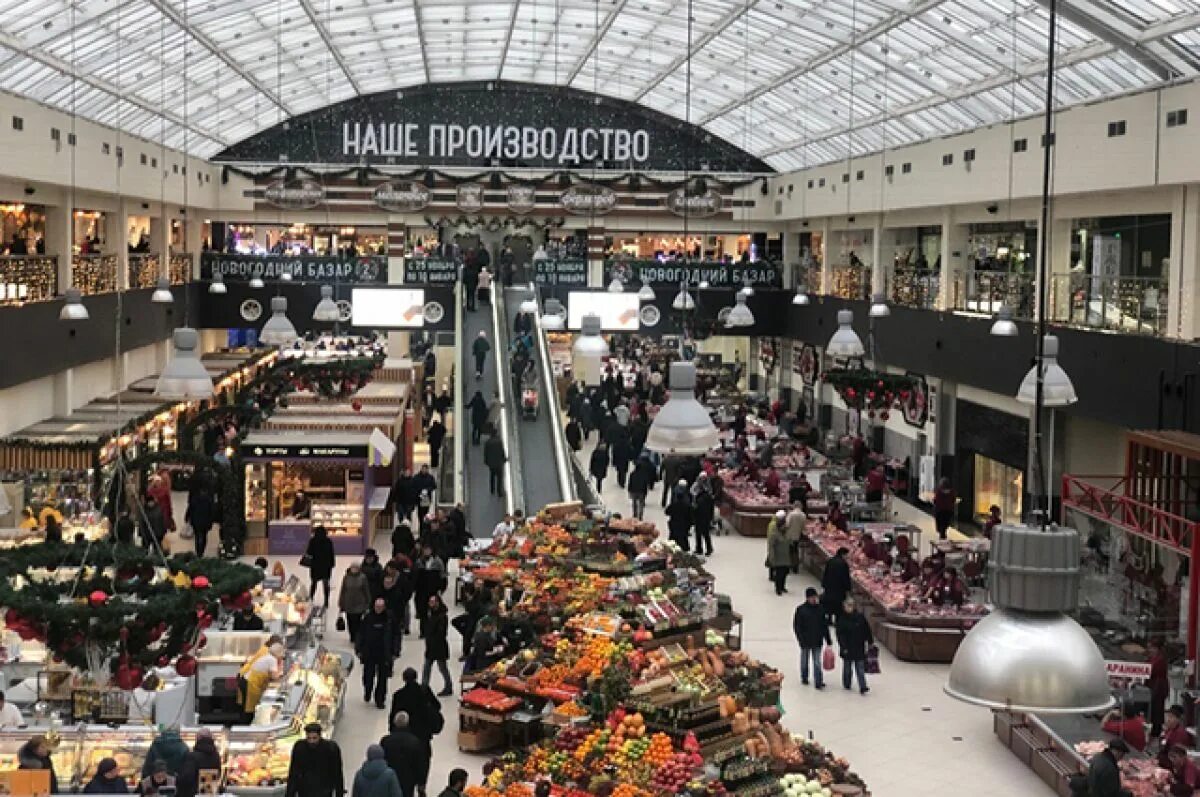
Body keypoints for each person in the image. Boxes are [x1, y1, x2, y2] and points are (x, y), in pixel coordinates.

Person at [284, 723, 344, 797]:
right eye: (309, 738)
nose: (311, 741)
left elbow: (337, 774)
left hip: (324, 791)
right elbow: (293, 773)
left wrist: (339, 793)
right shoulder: (299, 747)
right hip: (305, 791)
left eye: (314, 738)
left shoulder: (331, 748)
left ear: (320, 736)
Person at [389, 668, 444, 747]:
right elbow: (437, 706)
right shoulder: (425, 690)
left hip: (408, 732)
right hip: (423, 731)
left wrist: (392, 731)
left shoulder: (399, 695)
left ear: (404, 678)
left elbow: (394, 714)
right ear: (416, 677)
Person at [357, 598, 394, 709]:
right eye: (377, 607)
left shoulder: (389, 619)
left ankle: (380, 699)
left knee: (383, 678)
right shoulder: (367, 618)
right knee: (368, 675)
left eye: (380, 607)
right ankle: (368, 690)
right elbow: (360, 633)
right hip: (369, 652)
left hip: (384, 653)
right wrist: (359, 649)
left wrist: (395, 650)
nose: (378, 609)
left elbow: (395, 635)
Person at [380, 713, 429, 797]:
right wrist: (421, 782)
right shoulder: (415, 742)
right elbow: (421, 764)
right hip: (408, 781)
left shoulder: (385, 741)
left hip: (390, 778)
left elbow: (381, 760)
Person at [793, 588, 831, 689]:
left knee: (817, 662)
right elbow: (797, 626)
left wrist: (828, 640)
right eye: (812, 597)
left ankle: (818, 681)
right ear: (807, 598)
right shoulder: (801, 610)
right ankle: (804, 676)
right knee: (804, 660)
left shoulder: (820, 609)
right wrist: (800, 639)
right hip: (805, 640)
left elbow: (824, 625)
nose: (814, 599)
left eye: (815, 597)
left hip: (817, 640)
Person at [240, 636, 286, 718]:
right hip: (250, 683)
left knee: (247, 707)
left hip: (247, 680)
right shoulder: (272, 659)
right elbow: (274, 677)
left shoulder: (268, 655)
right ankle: (244, 726)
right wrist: (284, 678)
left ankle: (244, 723)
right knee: (248, 709)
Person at [835, 598, 874, 694]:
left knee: (860, 668)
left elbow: (866, 629)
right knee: (847, 668)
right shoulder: (842, 619)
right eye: (847, 606)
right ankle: (847, 683)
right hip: (847, 648)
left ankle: (863, 686)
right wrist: (843, 646)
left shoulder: (860, 617)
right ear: (844, 607)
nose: (849, 608)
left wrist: (870, 641)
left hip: (859, 646)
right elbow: (840, 635)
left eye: (851, 605)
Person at [422, 594, 454, 696]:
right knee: (428, 667)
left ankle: (448, 686)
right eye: (430, 601)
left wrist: (431, 639)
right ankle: (424, 687)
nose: (431, 604)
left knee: (441, 667)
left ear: (438, 602)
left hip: (438, 646)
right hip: (431, 645)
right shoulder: (430, 613)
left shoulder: (442, 616)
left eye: (433, 601)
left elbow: (441, 632)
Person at [176, 728, 222, 797]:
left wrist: (177, 779)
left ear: (198, 738)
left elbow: (186, 778)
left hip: (192, 793)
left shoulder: (192, 756)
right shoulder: (216, 756)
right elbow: (218, 774)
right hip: (208, 793)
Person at [339, 563, 374, 643]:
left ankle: (357, 636)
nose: (354, 569)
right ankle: (352, 635)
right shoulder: (346, 577)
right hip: (348, 603)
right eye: (352, 568)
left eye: (355, 568)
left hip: (359, 603)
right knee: (350, 621)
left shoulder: (363, 577)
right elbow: (343, 590)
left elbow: (366, 590)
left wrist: (368, 602)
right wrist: (341, 602)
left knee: (358, 621)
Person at [305, 525, 336, 607]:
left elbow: (309, 552)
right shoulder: (328, 541)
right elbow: (331, 553)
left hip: (315, 565)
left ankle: (311, 598)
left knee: (314, 583)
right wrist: (332, 564)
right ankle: (326, 601)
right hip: (326, 566)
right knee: (326, 584)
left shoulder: (313, 541)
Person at [822, 547, 853, 623]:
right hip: (839, 588)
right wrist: (848, 588)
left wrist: (824, 584)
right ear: (843, 554)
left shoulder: (830, 561)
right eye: (846, 555)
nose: (847, 557)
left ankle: (829, 618)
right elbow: (845, 577)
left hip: (829, 586)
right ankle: (837, 620)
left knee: (829, 603)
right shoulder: (843, 564)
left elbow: (825, 573)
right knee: (838, 605)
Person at [185, 486, 217, 557]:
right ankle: (201, 550)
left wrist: (187, 517)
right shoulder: (209, 500)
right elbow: (212, 512)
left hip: (196, 520)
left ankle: (198, 551)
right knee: (204, 536)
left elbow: (190, 508)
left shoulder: (195, 499)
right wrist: (211, 521)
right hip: (205, 521)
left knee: (197, 536)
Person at [1149, 639, 1171, 737]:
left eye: (1152, 648)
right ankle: (1155, 728)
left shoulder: (1160, 659)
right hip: (1154, 685)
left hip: (1159, 687)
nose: (1150, 650)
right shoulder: (1153, 658)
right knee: (1155, 709)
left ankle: (1157, 729)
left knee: (1158, 708)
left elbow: (1153, 671)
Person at [766, 511, 791, 595]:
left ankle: (783, 586)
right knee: (779, 574)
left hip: (786, 556)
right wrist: (771, 557)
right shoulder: (774, 534)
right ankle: (778, 588)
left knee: (785, 573)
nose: (785, 527)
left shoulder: (786, 533)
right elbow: (771, 546)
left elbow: (789, 542)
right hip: (778, 557)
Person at [628, 455, 656, 520]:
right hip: (641, 491)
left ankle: (635, 515)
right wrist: (646, 490)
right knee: (641, 504)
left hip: (634, 491)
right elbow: (646, 483)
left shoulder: (632, 474)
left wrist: (629, 490)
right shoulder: (644, 475)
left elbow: (630, 482)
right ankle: (640, 516)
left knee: (634, 504)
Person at [666, 484, 692, 551]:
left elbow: (667, 512)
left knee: (673, 537)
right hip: (683, 524)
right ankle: (684, 549)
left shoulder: (674, 505)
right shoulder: (687, 505)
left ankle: (671, 548)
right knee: (683, 538)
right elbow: (690, 515)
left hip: (674, 523)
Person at [693, 482, 715, 556]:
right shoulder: (709, 497)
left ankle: (699, 548)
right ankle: (708, 548)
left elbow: (696, 508)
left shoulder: (699, 498)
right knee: (706, 534)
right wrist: (711, 517)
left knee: (699, 534)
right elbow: (712, 508)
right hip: (706, 518)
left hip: (699, 518)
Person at [483, 432, 507, 497]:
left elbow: (485, 453)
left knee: (492, 476)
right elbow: (502, 451)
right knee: (499, 478)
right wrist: (504, 459)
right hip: (499, 463)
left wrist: (486, 461)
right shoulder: (499, 442)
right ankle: (499, 492)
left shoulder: (487, 442)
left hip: (491, 463)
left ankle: (492, 490)